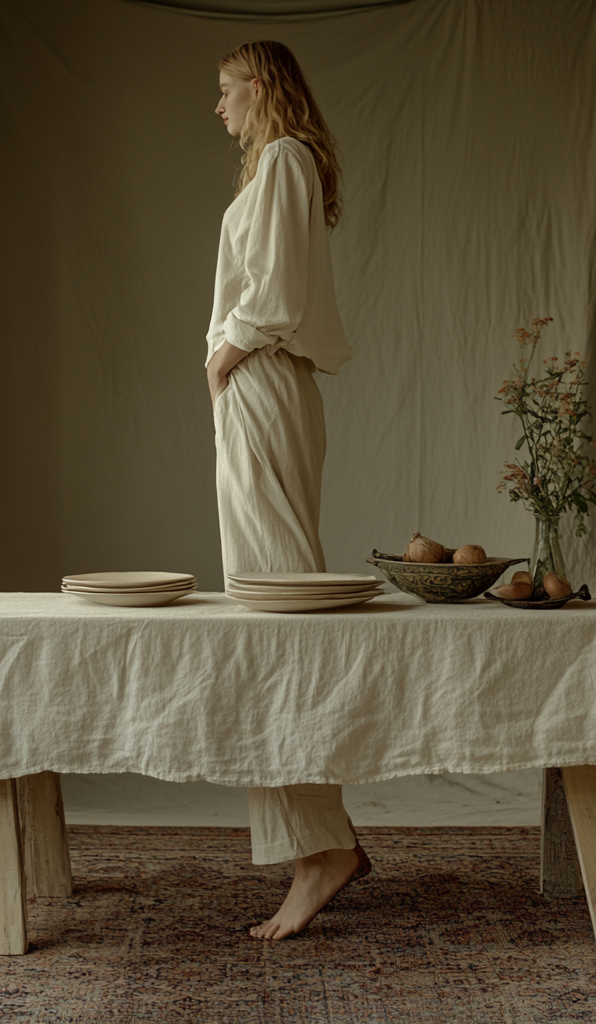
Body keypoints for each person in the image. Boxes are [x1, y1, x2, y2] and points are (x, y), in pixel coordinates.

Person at [206, 40, 369, 941]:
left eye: (226, 90)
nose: (219, 107)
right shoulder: (285, 165)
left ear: (261, 86)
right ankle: (321, 836)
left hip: (264, 376)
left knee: (274, 617)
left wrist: (228, 352)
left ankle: (321, 849)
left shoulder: (280, 160)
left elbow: (270, 292)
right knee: (269, 607)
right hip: (268, 384)